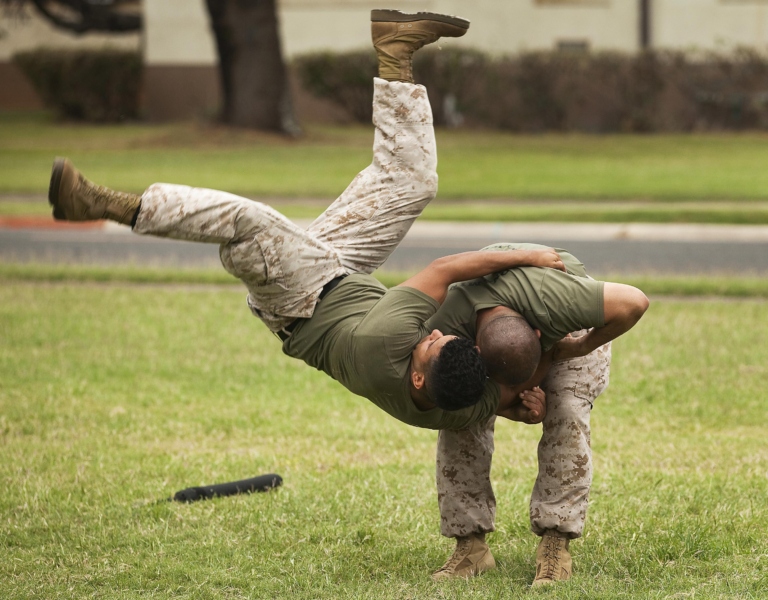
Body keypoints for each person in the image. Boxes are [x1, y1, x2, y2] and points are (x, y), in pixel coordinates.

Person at [47, 10, 562, 431]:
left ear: (419, 380)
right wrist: (516, 404)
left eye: (432, 347)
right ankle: (395, 51)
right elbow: (483, 397)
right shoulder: (451, 399)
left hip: (299, 297)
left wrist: (528, 255)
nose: (435, 337)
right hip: (339, 271)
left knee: (251, 222)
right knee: (412, 181)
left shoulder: (382, 351)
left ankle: (105, 205)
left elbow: (448, 269)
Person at [425, 243, 649, 585]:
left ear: (539, 334)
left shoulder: (562, 305)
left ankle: (555, 544)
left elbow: (635, 302)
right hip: (494, 331)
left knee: (566, 412)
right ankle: (470, 547)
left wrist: (578, 347)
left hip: (570, 337)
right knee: (462, 414)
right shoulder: (449, 323)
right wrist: (518, 410)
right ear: (475, 349)